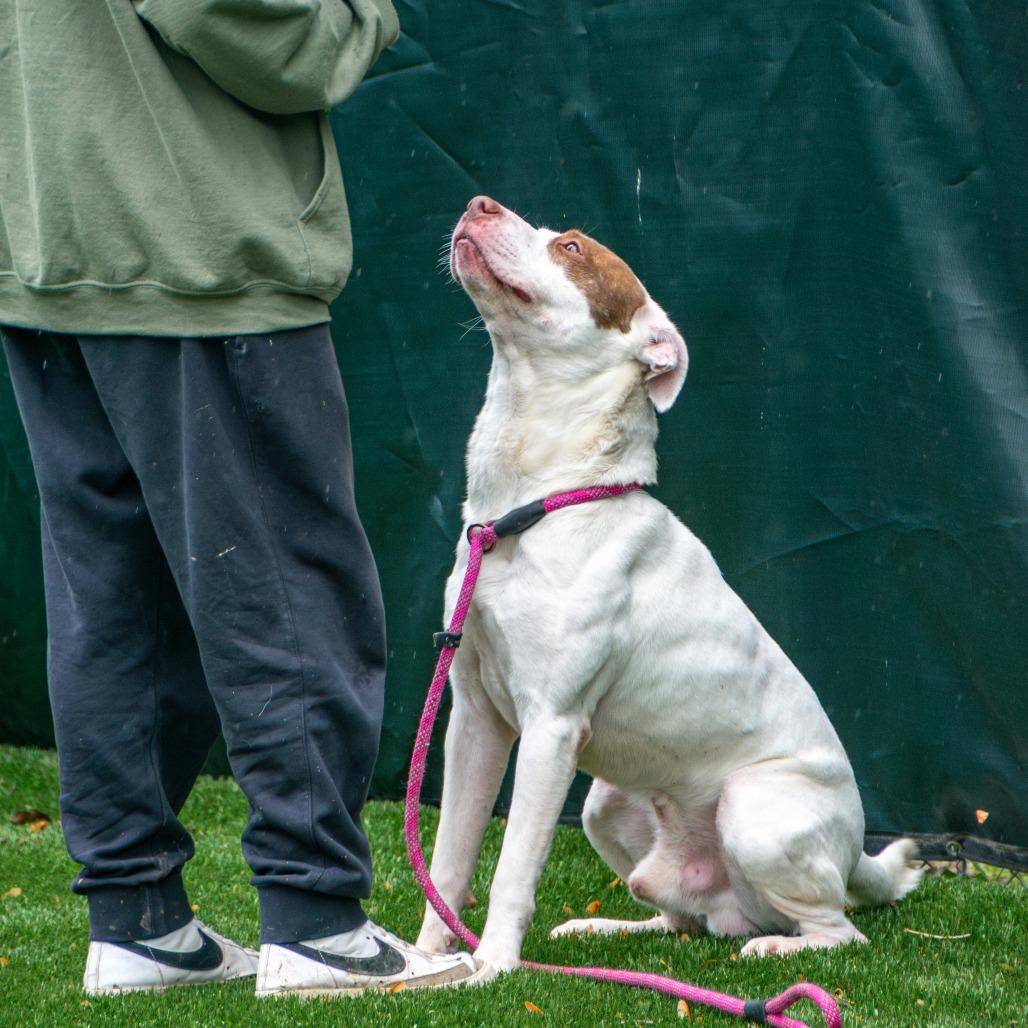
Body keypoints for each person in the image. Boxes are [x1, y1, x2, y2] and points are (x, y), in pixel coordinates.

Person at [0, 0, 483, 997]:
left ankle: (139, 921)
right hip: (189, 239)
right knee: (283, 579)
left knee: (112, 594)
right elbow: (244, 19)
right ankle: (315, 923)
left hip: (44, 236)